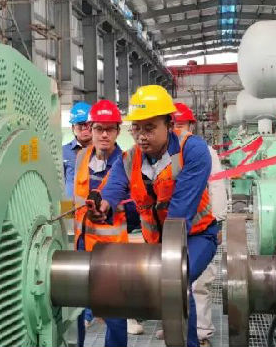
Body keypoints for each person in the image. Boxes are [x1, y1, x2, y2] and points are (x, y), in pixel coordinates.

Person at [92, 85, 218, 347]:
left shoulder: (192, 151)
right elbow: (113, 187)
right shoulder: (130, 159)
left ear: (169, 124)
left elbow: (180, 212)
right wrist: (102, 205)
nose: (141, 136)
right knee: (122, 284)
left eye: (149, 128)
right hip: (157, 244)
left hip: (197, 237)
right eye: (136, 128)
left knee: (177, 279)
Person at [74, 100, 128, 347]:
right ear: (91, 129)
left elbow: (134, 207)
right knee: (76, 308)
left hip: (112, 250)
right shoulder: (81, 157)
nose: (104, 134)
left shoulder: (126, 162)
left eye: (109, 129)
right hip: (82, 244)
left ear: (117, 131)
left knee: (115, 312)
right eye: (98, 128)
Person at [173, 102, 228, 347]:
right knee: (175, 281)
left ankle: (202, 332)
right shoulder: (165, 154)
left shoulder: (203, 151)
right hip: (176, 228)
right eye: (173, 124)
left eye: (181, 124)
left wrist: (219, 221)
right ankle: (176, 325)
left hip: (201, 226)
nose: (177, 128)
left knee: (200, 283)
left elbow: (217, 187)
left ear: (191, 126)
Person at [63, 102, 92, 201]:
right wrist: (65, 208)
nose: (84, 128)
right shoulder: (63, 152)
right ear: (73, 128)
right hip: (69, 206)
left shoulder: (102, 152)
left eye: (87, 124)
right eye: (80, 125)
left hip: (94, 206)